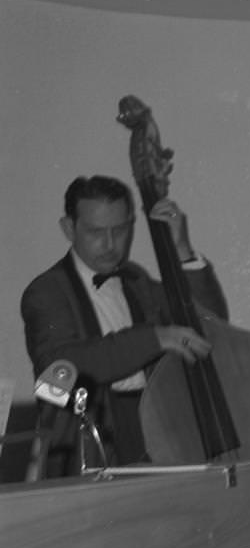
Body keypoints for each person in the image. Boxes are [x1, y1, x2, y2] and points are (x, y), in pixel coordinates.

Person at [20, 174, 224, 469]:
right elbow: (59, 366)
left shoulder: (135, 280)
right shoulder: (46, 292)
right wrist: (155, 338)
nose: (110, 243)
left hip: (153, 424)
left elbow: (210, 322)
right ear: (68, 228)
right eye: (95, 231)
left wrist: (181, 249)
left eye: (120, 229)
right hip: (89, 437)